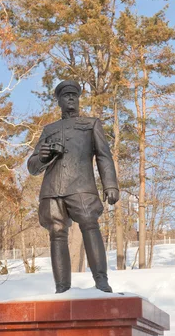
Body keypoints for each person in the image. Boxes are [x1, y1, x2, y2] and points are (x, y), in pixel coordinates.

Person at [27, 80, 119, 293]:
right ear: (59, 101)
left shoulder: (91, 124)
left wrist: (110, 185)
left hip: (82, 186)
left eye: (74, 95)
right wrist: (42, 157)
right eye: (66, 96)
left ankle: (101, 281)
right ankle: (61, 288)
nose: (70, 99)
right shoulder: (49, 129)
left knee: (90, 224)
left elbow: (104, 157)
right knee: (57, 233)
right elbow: (32, 167)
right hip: (52, 189)